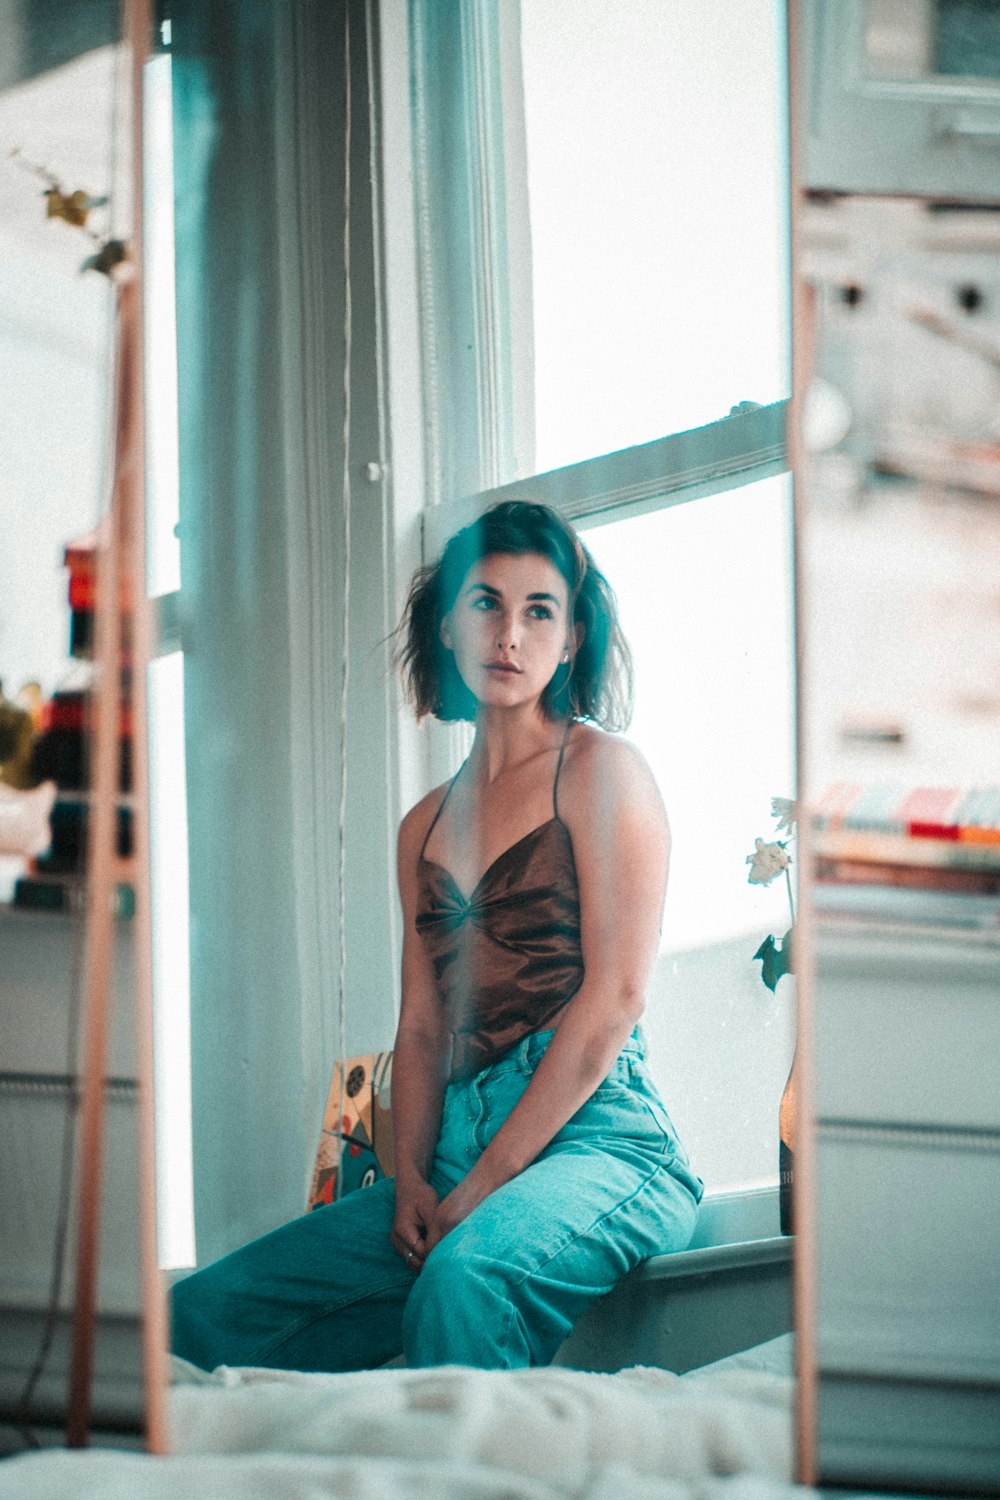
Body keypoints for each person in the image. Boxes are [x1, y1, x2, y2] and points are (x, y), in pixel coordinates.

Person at [171, 500, 703, 1373]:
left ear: (571, 640)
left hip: (603, 1137)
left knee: (466, 1279)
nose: (510, 634)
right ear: (449, 623)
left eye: (541, 611)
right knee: (200, 1316)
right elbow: (420, 1029)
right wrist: (410, 1179)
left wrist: (484, 1185)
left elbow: (615, 999)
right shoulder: (422, 825)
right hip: (448, 1144)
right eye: (486, 603)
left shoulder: (601, 769)